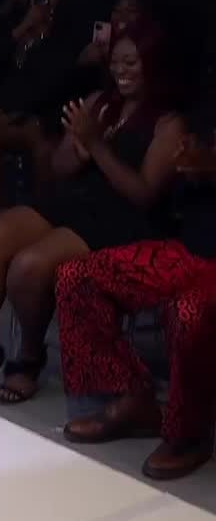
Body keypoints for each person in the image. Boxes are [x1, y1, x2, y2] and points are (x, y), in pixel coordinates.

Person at [0, 24, 185, 406]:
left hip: (123, 219)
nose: (121, 70)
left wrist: (97, 146)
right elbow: (59, 169)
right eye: (116, 61)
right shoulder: (98, 102)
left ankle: (29, 354)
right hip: (76, 201)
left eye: (131, 62)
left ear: (152, 64)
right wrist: (77, 149)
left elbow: (144, 194)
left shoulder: (168, 124)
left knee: (29, 266)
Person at [56, 134, 216, 480]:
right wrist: (191, 170)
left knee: (187, 314)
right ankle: (133, 399)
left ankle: (189, 434)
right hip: (191, 248)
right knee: (78, 276)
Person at [0, 0, 70, 218]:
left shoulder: (61, 38)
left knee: (40, 142)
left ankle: (40, 220)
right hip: (9, 114)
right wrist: (23, 28)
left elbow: (48, 86)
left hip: (41, 117)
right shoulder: (18, 28)